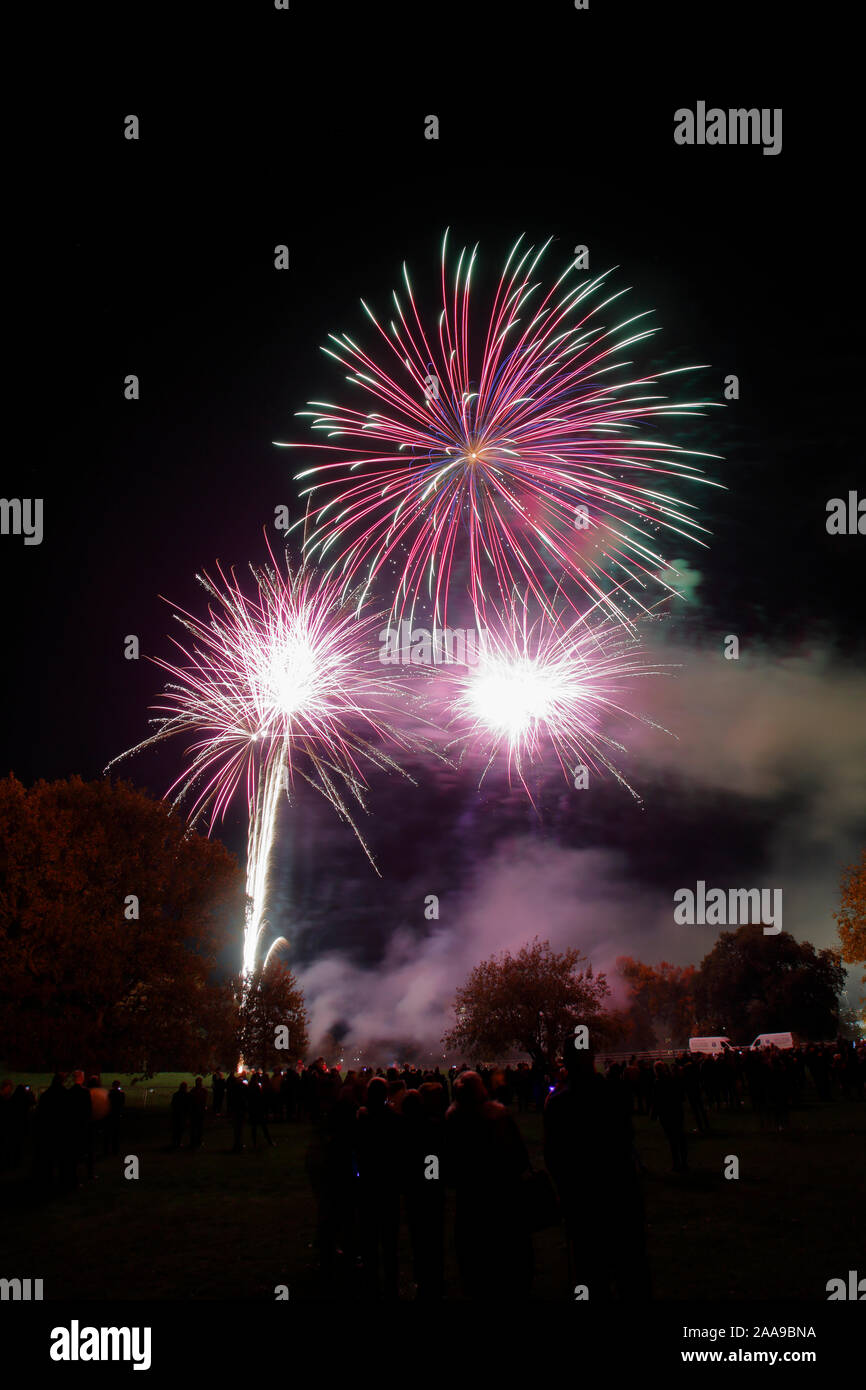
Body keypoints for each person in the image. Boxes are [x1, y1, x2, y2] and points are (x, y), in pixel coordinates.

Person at [545, 1044, 650, 1301]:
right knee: (630, 1269)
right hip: (620, 1189)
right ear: (592, 1059)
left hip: (582, 1198)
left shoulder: (559, 1103)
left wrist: (564, 1192)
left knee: (591, 1272)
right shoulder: (615, 1093)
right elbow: (627, 1137)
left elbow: (554, 1156)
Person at [444, 1070, 533, 1300]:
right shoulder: (499, 1116)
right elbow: (520, 1159)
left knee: (475, 1270)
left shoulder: (453, 1121)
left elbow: (448, 1168)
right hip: (503, 1199)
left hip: (471, 1203)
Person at [355, 1076, 402, 1299]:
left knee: (369, 1235)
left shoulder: (362, 1119)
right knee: (389, 1236)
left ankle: (370, 1280)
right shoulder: (393, 1119)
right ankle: (391, 1281)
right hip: (388, 1184)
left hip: (368, 1183)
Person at [105, 1081, 125, 1155]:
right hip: (117, 1115)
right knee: (116, 1133)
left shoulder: (109, 1093)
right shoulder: (121, 1093)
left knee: (108, 1133)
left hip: (110, 1114)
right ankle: (115, 1149)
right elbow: (122, 1104)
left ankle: (107, 1149)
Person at [170, 1081, 190, 1149]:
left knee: (176, 1129)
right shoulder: (187, 1095)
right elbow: (188, 1106)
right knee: (180, 1129)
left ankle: (175, 1142)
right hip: (182, 1115)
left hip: (177, 1114)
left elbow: (173, 1104)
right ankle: (178, 1142)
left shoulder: (176, 1094)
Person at [189, 1077, 207, 1148]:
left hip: (196, 1111)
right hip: (198, 1111)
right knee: (198, 1127)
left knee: (196, 1127)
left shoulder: (193, 1090)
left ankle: (194, 1141)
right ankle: (197, 1141)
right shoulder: (202, 1090)